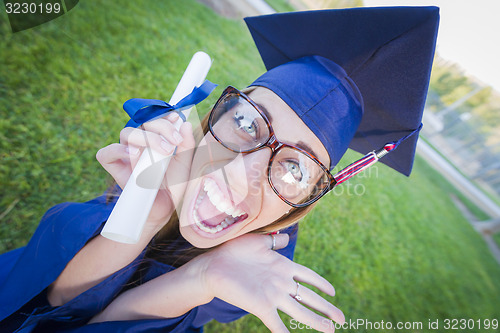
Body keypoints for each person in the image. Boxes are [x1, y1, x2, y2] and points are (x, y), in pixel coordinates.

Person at [0, 6, 439, 333]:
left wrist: (202, 277)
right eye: (247, 122)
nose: (239, 173)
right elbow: (52, 296)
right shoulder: (171, 165)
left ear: (308, 198)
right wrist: (143, 213)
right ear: (213, 118)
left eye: (294, 168)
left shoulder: (257, 267)